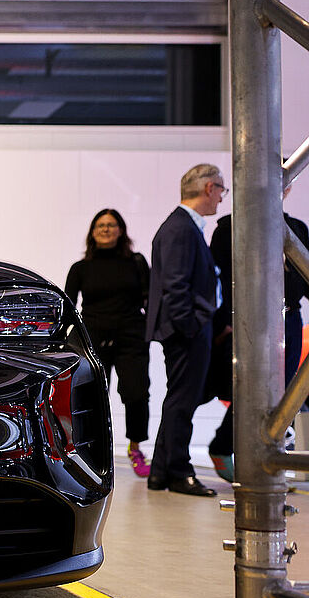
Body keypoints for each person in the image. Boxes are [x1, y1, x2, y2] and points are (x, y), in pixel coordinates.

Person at [203, 183, 309, 482]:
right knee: (249, 389)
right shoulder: (230, 228)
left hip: (290, 319)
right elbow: (217, 280)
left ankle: (266, 459)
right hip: (248, 320)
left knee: (282, 393)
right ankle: (223, 446)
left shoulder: (297, 228)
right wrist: (224, 323)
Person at [145, 163, 226, 497]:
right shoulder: (181, 228)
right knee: (183, 402)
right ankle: (179, 472)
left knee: (178, 400)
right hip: (186, 332)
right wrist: (191, 327)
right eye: (221, 190)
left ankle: (160, 472)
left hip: (187, 329)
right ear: (208, 188)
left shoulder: (183, 226)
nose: (222, 197)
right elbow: (175, 287)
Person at [65, 209, 152, 477]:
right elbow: (68, 307)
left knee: (136, 393)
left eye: (111, 225)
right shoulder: (80, 268)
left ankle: (135, 448)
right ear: (93, 232)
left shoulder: (136, 262)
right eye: (101, 225)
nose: (106, 229)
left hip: (131, 337)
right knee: (93, 397)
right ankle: (92, 452)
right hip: (93, 338)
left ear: (121, 230)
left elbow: (150, 299)